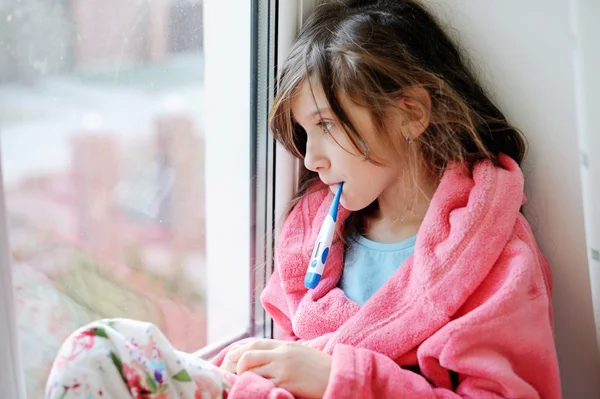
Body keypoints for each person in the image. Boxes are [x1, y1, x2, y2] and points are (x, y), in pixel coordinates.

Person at [46, 1, 561, 398]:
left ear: (411, 113)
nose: (310, 157)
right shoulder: (318, 234)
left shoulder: (494, 259)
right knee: (103, 351)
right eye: (302, 132)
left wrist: (342, 377)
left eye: (326, 126)